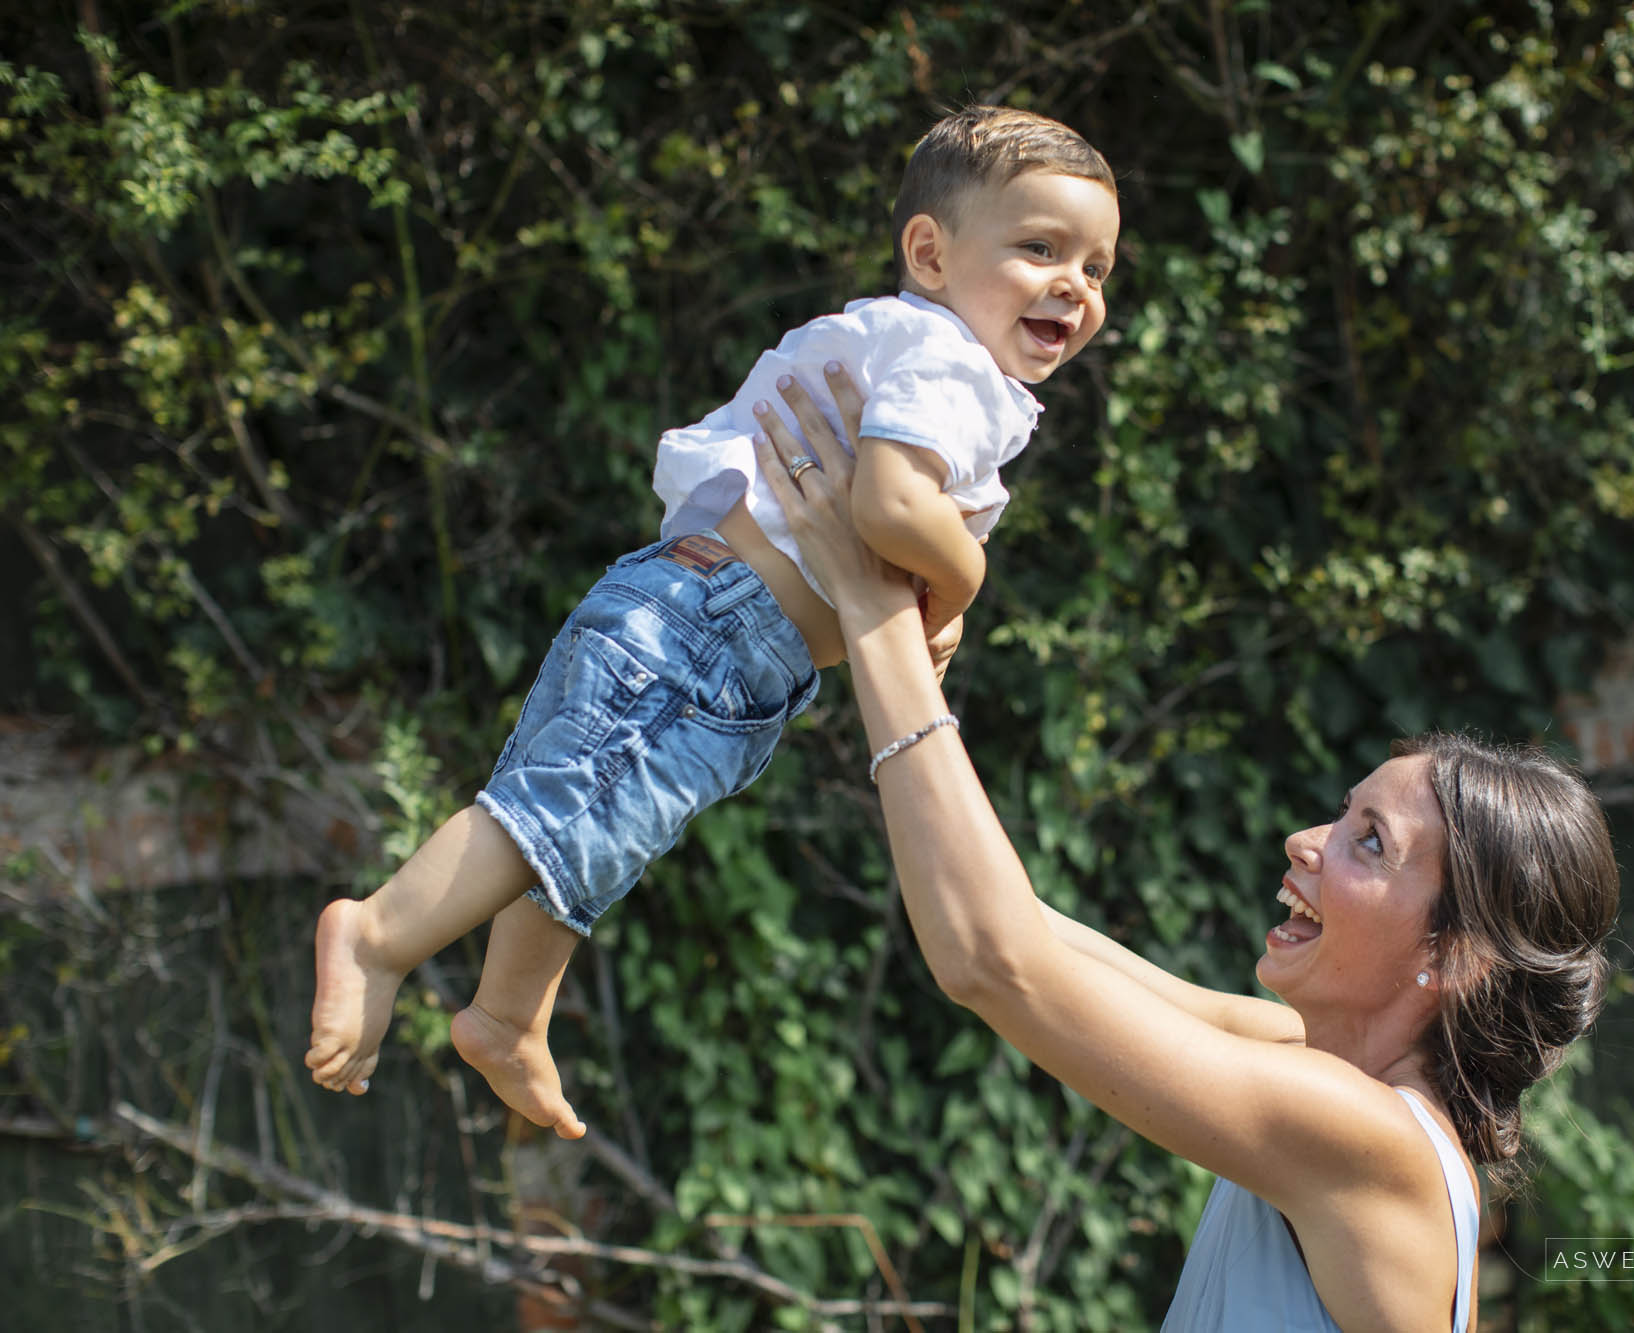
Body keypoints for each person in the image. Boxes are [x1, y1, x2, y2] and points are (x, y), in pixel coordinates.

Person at [305, 106, 1121, 1138]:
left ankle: (507, 1013)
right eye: (1039, 249)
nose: (1074, 287)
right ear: (930, 251)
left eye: (1095, 268)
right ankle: (375, 934)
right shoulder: (943, 358)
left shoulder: (922, 348)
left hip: (719, 637)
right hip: (707, 629)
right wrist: (962, 581)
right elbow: (887, 507)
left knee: (595, 821)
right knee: (567, 805)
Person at [747, 371, 1622, 1331]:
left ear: (1456, 958)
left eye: (1369, 842)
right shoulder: (1318, 1060)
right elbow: (1023, 928)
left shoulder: (1366, 1136)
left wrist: (870, 608)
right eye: (1343, 813)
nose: (1306, 841)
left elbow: (994, 961)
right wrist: (913, 645)